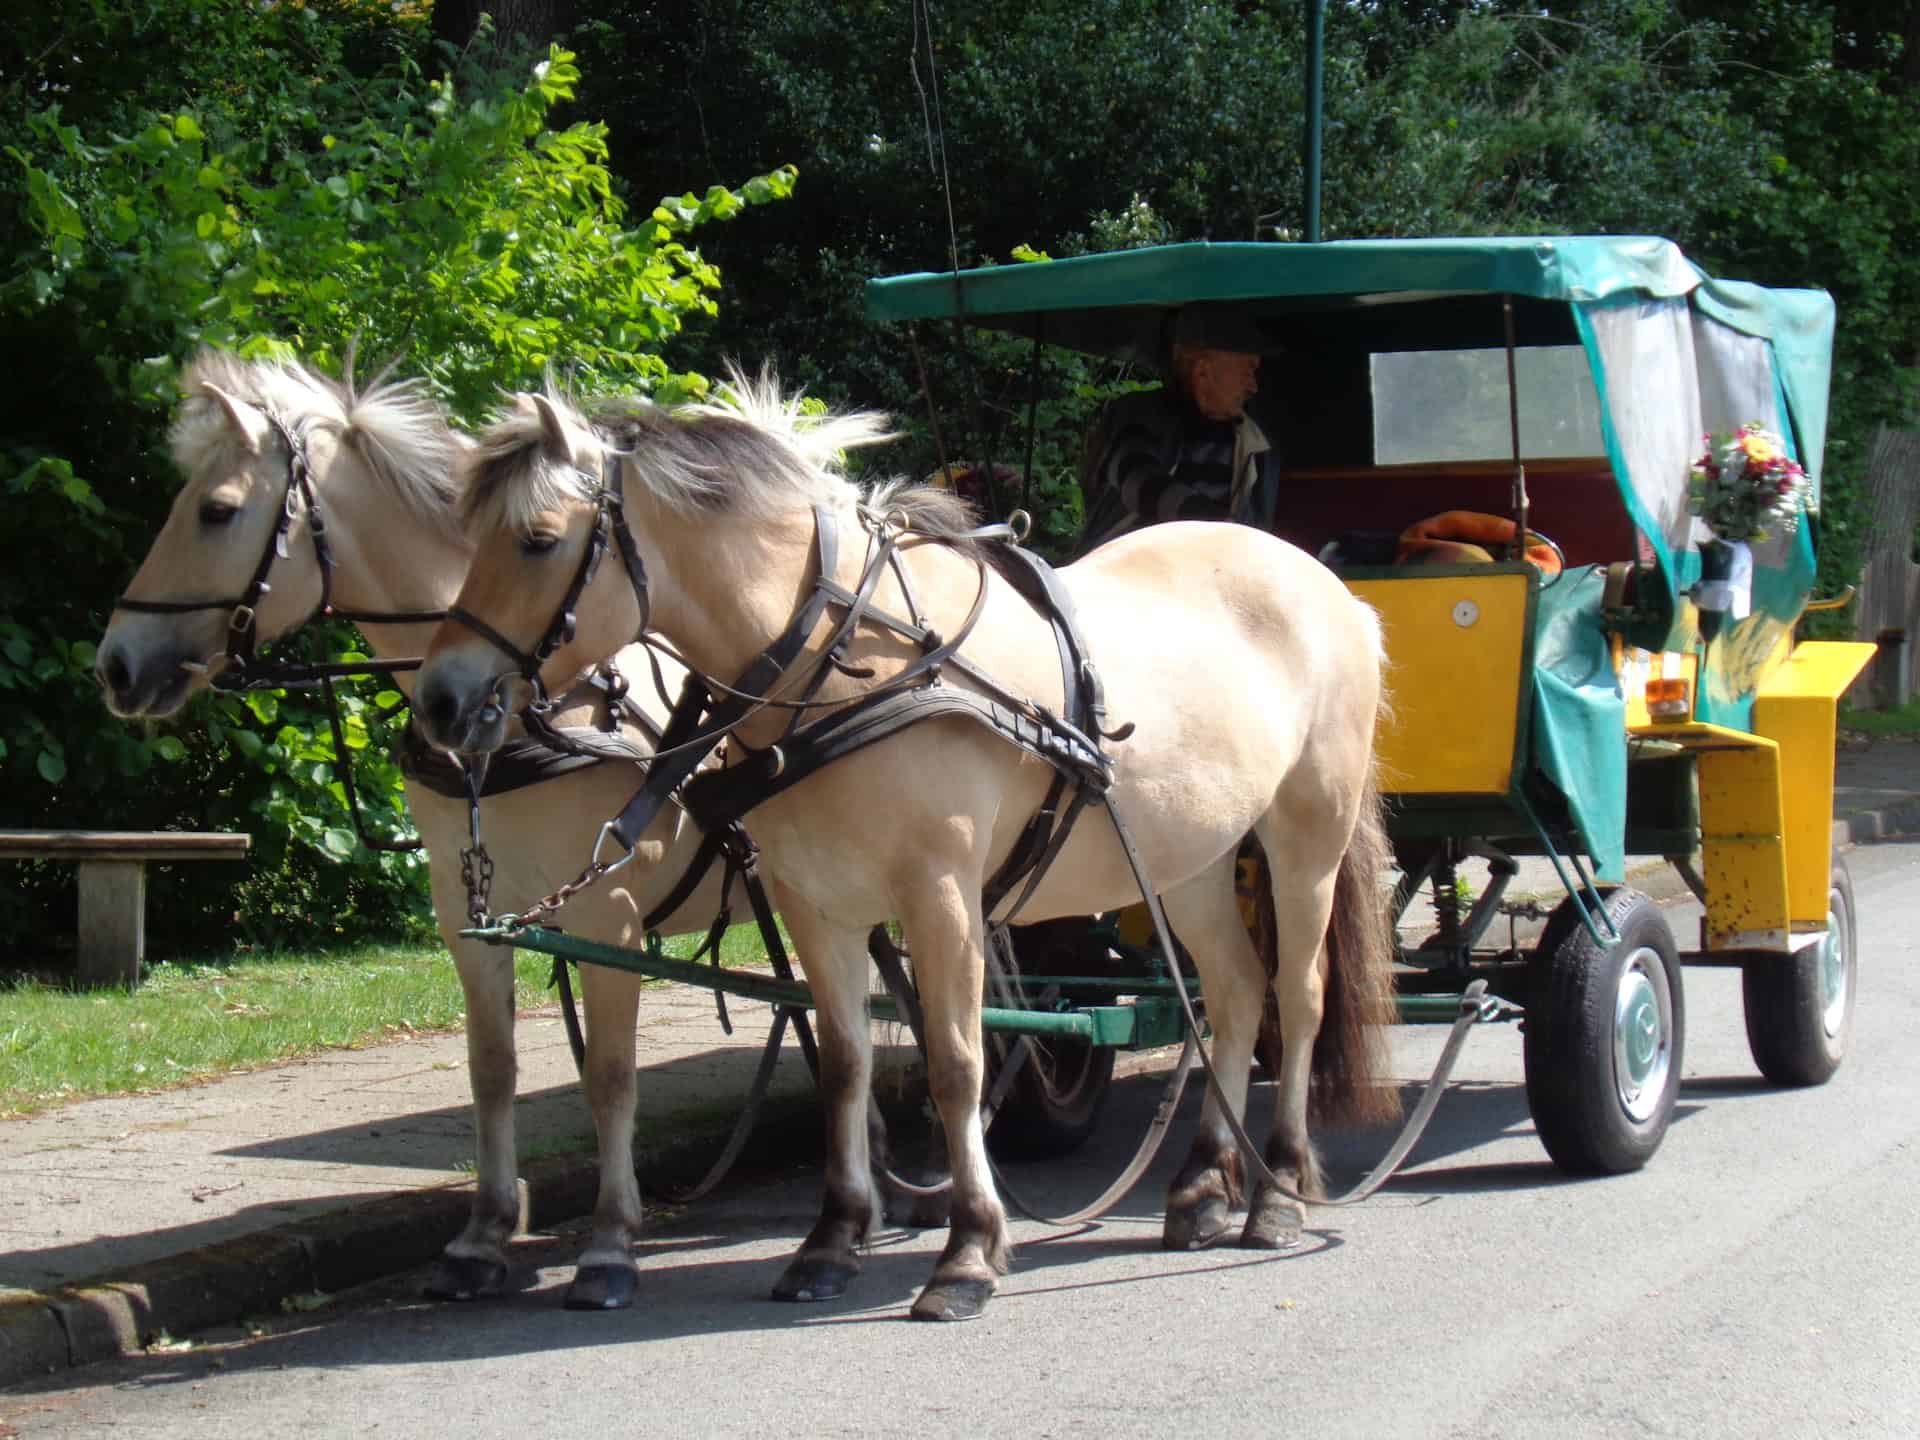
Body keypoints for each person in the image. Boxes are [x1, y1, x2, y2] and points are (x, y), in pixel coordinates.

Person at [1073, 304, 1281, 555]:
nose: (1253, 386)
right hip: (1124, 571)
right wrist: (1224, 529)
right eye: (1248, 369)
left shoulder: (1254, 443)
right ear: (1203, 370)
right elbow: (1139, 481)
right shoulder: (1137, 414)